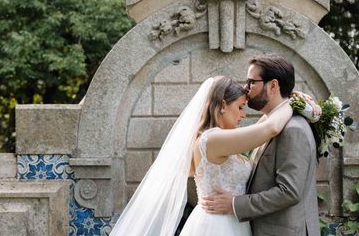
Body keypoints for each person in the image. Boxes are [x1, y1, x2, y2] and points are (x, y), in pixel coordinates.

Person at [108, 70, 317, 236]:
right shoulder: (212, 139)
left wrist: (290, 99)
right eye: (241, 107)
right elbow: (269, 128)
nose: (244, 115)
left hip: (232, 222)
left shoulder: (221, 138)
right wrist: (290, 103)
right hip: (216, 225)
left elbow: (269, 120)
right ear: (224, 105)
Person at [202, 55, 319, 235]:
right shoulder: (271, 124)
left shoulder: (293, 129)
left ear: (273, 85)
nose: (245, 89)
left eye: (251, 82)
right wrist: (294, 100)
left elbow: (289, 192)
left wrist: (234, 204)